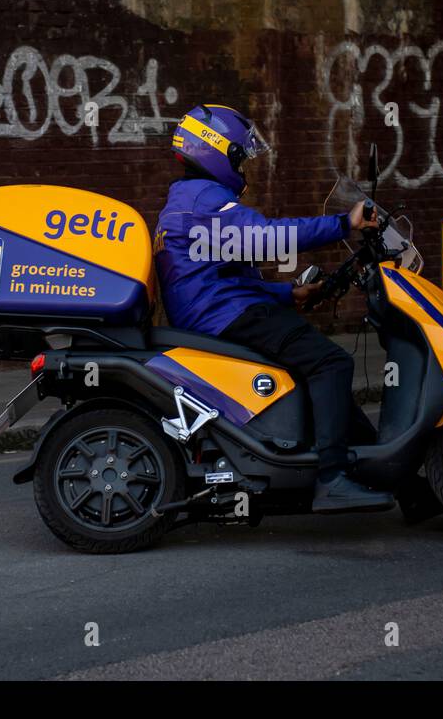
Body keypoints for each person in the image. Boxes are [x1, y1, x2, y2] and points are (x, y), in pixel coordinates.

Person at [153, 104, 396, 513]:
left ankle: (377, 468)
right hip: (226, 317)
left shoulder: (188, 200)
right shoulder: (203, 200)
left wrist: (288, 295)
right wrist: (344, 223)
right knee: (331, 364)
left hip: (221, 309)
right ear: (216, 152)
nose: (244, 167)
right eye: (240, 157)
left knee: (314, 368)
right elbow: (266, 238)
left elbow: (224, 274)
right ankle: (333, 477)